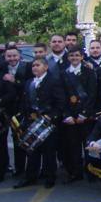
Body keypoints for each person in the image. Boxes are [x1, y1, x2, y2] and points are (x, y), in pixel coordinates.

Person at [14, 58, 66, 189]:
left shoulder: (53, 81)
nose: (35, 68)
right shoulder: (29, 82)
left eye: (38, 65)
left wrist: (51, 116)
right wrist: (22, 118)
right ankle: (30, 177)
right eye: (33, 66)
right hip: (31, 121)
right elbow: (25, 102)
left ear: (46, 67)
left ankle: (50, 177)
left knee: (49, 152)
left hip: (47, 121)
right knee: (32, 150)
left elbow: (61, 102)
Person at [61, 47, 98, 184]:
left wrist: (84, 114)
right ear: (68, 57)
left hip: (85, 115)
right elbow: (62, 96)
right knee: (73, 146)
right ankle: (76, 173)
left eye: (77, 55)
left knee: (88, 146)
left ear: (82, 57)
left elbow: (92, 94)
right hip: (71, 116)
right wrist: (67, 115)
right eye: (71, 55)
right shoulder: (63, 73)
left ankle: (91, 171)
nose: (74, 58)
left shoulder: (89, 72)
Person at [2, 46, 32, 175]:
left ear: (19, 56)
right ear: (5, 57)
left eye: (14, 56)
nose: (12, 58)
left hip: (24, 108)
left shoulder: (28, 67)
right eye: (9, 56)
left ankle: (31, 169)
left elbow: (30, 84)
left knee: (28, 138)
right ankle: (19, 168)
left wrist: (15, 81)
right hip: (9, 109)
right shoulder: (2, 67)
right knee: (16, 139)